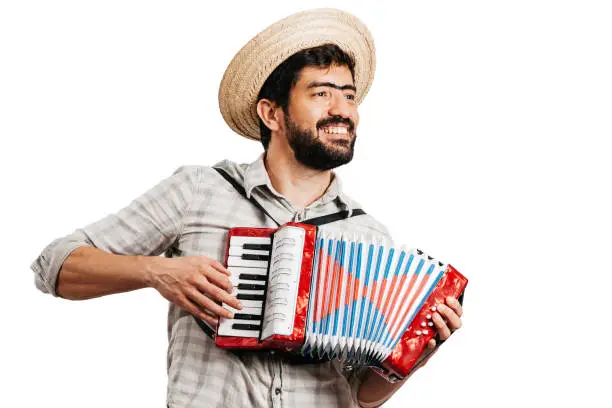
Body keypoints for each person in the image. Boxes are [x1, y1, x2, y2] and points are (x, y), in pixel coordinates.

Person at [31, 8, 463, 408]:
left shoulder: (368, 236)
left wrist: (413, 357)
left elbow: (358, 394)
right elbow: (55, 264)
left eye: (349, 97)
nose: (342, 110)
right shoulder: (199, 191)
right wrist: (154, 272)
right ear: (271, 113)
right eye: (322, 93)